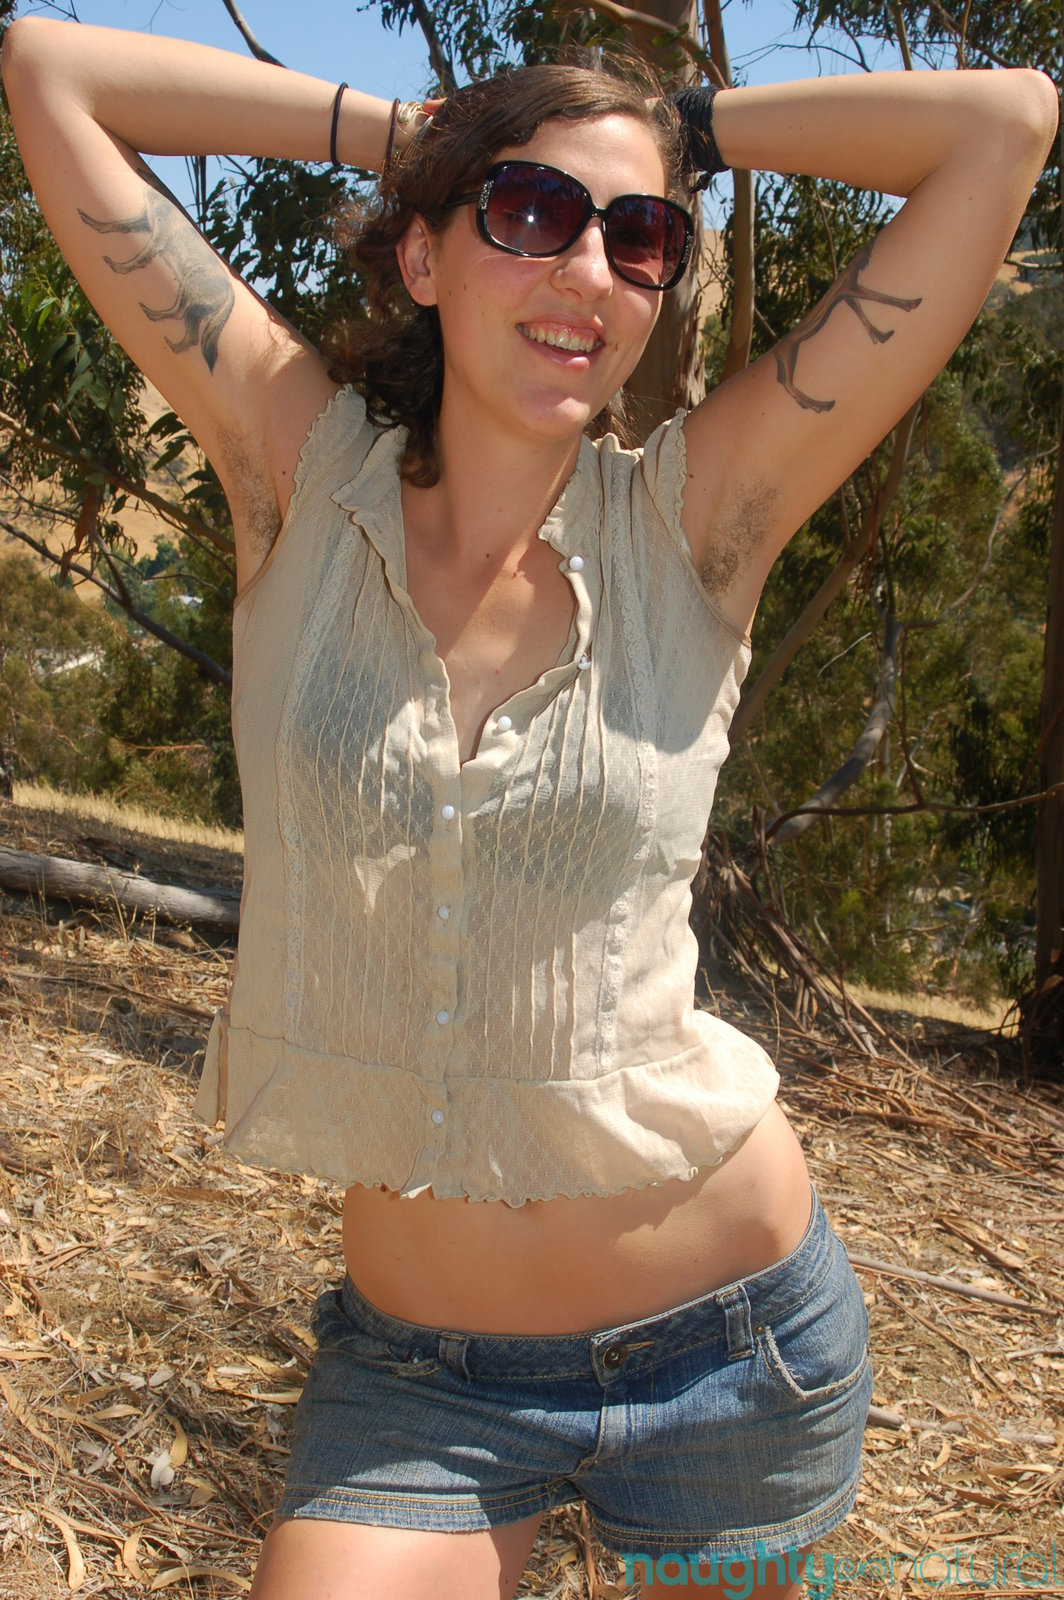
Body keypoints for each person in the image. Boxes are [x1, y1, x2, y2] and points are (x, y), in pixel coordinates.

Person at [2, 15, 1055, 1599]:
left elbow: (1005, 124)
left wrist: (691, 130)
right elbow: (47, 72)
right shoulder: (297, 472)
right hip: (427, 1385)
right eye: (530, 212)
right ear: (423, 255)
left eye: (638, 240)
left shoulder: (697, 520)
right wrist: (409, 135)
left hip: (737, 1356)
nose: (587, 270)